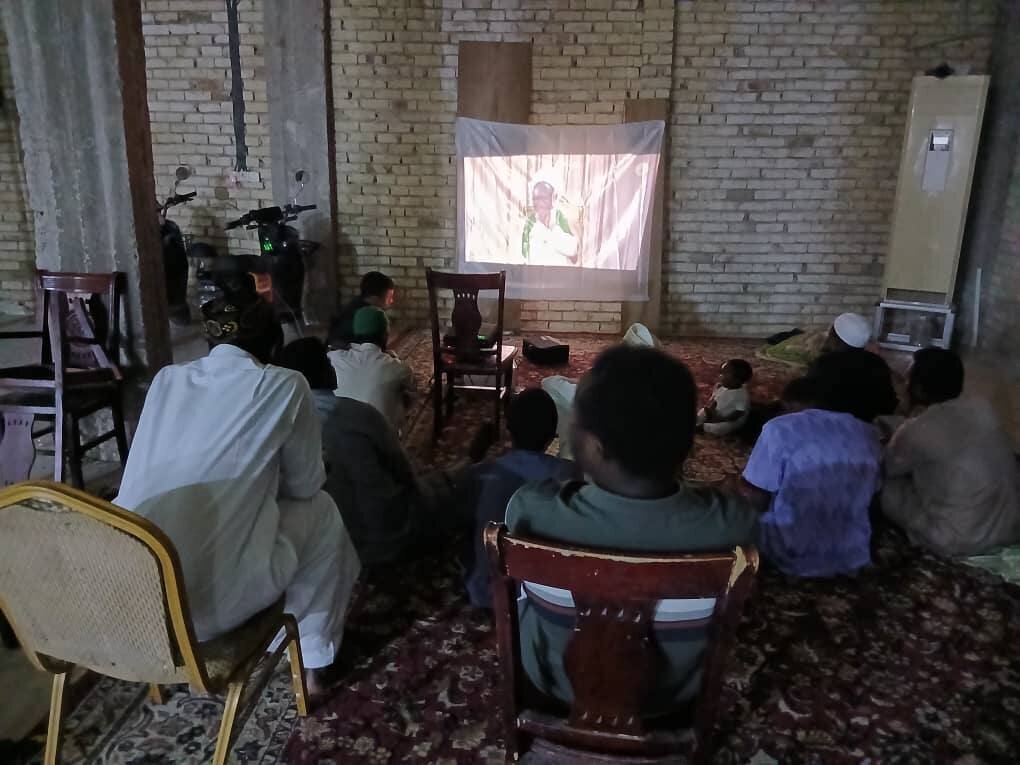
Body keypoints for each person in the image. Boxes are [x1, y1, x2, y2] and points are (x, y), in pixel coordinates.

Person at [115, 282, 361, 695]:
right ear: (274, 342)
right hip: (211, 607)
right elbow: (305, 485)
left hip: (137, 595)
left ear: (210, 340)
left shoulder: (166, 380)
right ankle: (311, 663)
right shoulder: (284, 384)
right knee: (322, 511)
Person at [506, 346, 757, 713]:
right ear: (688, 443)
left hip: (554, 682)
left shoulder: (530, 508)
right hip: (675, 695)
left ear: (593, 447)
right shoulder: (734, 521)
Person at [742, 352, 885, 577]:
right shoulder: (869, 433)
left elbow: (756, 498)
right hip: (850, 555)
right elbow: (873, 499)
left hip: (787, 552)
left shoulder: (779, 428)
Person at [882, 348, 1020, 557]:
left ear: (919, 390)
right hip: (1007, 529)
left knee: (884, 486)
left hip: (959, 540)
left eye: (906, 381)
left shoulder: (919, 429)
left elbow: (888, 466)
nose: (903, 387)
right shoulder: (983, 408)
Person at [460, 389, 578, 609]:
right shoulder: (571, 476)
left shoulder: (481, 474)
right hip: (545, 598)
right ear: (552, 437)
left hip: (487, 592)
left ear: (508, 431)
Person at [321, 395, 425, 566]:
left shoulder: (278, 426)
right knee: (466, 481)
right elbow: (402, 468)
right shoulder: (356, 413)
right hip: (389, 534)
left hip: (333, 552)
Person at [328, 306, 414, 434]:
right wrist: (394, 357)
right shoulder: (398, 367)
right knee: (405, 393)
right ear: (385, 335)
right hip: (382, 441)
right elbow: (412, 387)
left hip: (338, 438)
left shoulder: (333, 357)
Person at [275, 337, 338, 426]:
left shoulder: (282, 414)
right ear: (321, 369)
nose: (333, 368)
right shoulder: (347, 410)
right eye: (328, 362)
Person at [327, 271, 395, 348]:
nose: (391, 301)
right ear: (374, 298)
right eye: (389, 297)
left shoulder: (353, 304)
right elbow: (372, 350)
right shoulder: (369, 317)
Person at [521, 180, 579, 266]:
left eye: (543, 198)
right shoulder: (530, 224)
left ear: (552, 199)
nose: (539, 203)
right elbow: (523, 256)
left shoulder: (560, 219)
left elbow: (573, 252)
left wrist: (551, 233)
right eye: (535, 199)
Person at [697, 359, 753, 436]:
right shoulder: (720, 387)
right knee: (702, 411)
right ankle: (697, 421)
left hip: (729, 419)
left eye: (724, 374)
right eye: (720, 372)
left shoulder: (742, 395)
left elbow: (738, 413)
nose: (719, 376)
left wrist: (720, 419)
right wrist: (710, 410)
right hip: (717, 413)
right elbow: (715, 400)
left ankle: (703, 427)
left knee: (723, 427)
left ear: (737, 380)